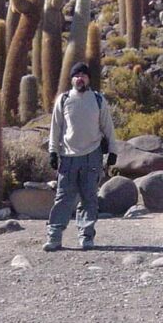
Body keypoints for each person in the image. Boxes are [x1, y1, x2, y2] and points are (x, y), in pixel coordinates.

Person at [44, 62, 117, 251]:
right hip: (68, 156)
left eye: (84, 75)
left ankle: (86, 236)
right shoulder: (64, 99)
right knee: (63, 198)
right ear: (71, 79)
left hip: (92, 155)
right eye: (76, 75)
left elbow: (108, 127)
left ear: (89, 79)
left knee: (89, 197)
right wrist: (53, 151)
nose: (80, 78)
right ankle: (54, 236)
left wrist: (113, 151)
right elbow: (56, 127)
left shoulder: (98, 100)